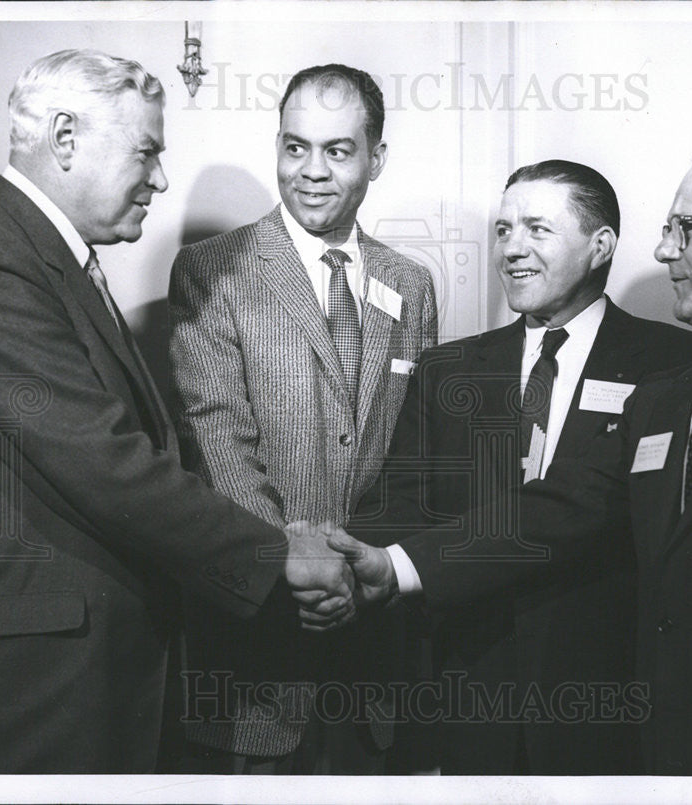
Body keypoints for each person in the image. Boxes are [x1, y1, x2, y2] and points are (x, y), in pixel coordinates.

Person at [320, 130, 692, 776]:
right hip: (660, 757)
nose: (665, 247)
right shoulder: (671, 396)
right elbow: (566, 507)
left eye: (687, 227)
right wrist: (393, 565)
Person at [0, 49, 349, 774]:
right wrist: (278, 552)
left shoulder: (47, 258)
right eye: (146, 150)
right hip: (35, 683)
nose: (159, 178)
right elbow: (103, 460)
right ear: (64, 139)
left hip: (88, 667)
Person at [345, 160, 692, 774]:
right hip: (465, 697)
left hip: (610, 703)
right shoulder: (449, 371)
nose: (512, 250)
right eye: (503, 230)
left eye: (537, 230)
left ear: (601, 247)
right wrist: (345, 569)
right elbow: (397, 508)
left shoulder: (677, 364)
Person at [168, 63, 437, 773]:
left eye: (337, 151)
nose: (311, 171)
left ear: (376, 158)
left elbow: (417, 453)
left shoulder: (411, 283)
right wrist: (297, 569)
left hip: (375, 657)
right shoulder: (213, 268)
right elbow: (216, 438)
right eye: (295, 147)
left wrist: (362, 568)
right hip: (257, 662)